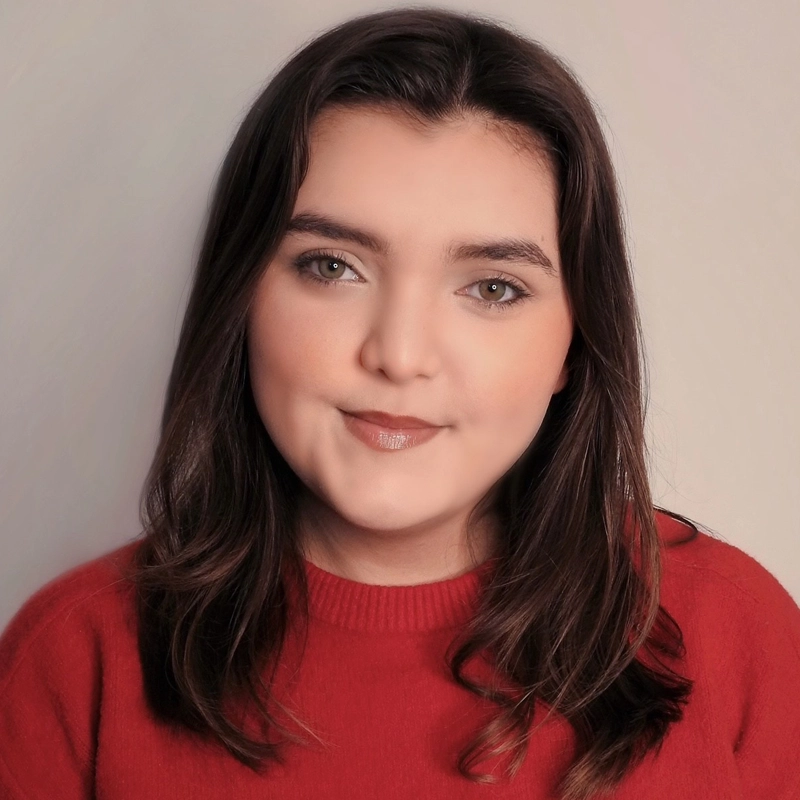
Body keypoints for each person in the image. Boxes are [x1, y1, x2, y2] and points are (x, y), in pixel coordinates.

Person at [1, 7, 799, 799]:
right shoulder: (75, 658)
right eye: (331, 266)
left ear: (575, 341)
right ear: (241, 294)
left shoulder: (731, 630)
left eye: (493, 287)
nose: (400, 354)